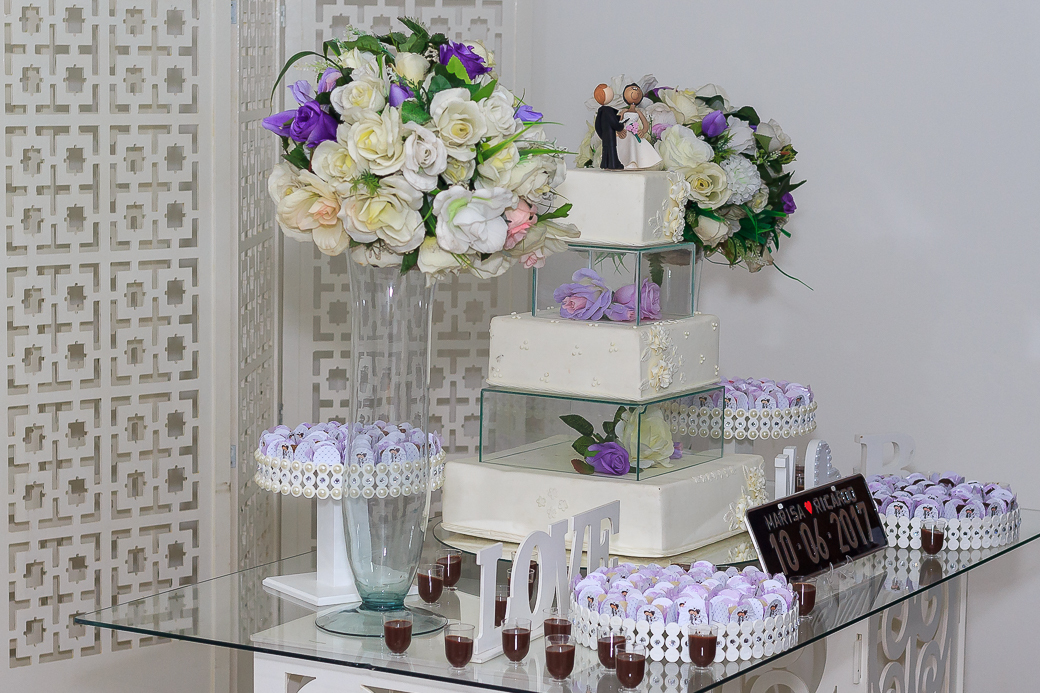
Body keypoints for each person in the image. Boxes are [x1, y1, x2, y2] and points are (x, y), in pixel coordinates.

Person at [616, 83, 663, 170]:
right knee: (623, 147)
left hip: (634, 133)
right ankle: (622, 162)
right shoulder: (624, 111)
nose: (635, 92)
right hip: (625, 133)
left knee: (635, 146)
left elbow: (645, 124)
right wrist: (618, 131)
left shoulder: (638, 112)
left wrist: (643, 131)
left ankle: (635, 163)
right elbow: (617, 122)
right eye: (632, 90)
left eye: (637, 90)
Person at [593, 83, 624, 170]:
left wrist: (601, 134)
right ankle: (613, 164)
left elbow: (597, 125)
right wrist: (620, 126)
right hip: (610, 133)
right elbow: (613, 122)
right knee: (612, 149)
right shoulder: (608, 111)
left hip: (605, 134)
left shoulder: (601, 110)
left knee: (605, 149)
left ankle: (605, 163)